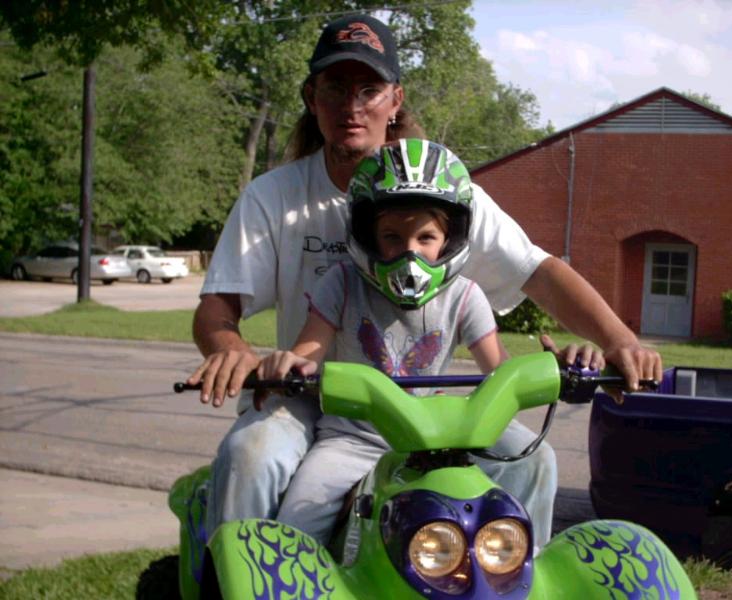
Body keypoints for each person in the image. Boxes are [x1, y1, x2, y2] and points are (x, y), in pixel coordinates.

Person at [188, 13, 661, 542]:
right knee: (251, 454)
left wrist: (619, 342)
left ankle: (515, 576)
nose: (351, 106)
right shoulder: (272, 197)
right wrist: (233, 351)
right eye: (336, 88)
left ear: (395, 99)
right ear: (311, 97)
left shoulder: (443, 190)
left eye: (369, 90)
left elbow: (539, 272)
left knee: (532, 460)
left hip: (424, 404)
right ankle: (247, 575)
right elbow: (217, 309)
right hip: (309, 395)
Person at [259, 137, 603, 545]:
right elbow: (307, 354)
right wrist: (288, 366)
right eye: (392, 237)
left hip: (443, 437)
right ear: (368, 236)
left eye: (425, 238)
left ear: (450, 239)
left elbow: (501, 371)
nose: (410, 253)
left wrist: (556, 368)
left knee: (536, 458)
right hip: (354, 438)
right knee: (297, 522)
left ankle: (522, 564)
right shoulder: (342, 283)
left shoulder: (465, 296)